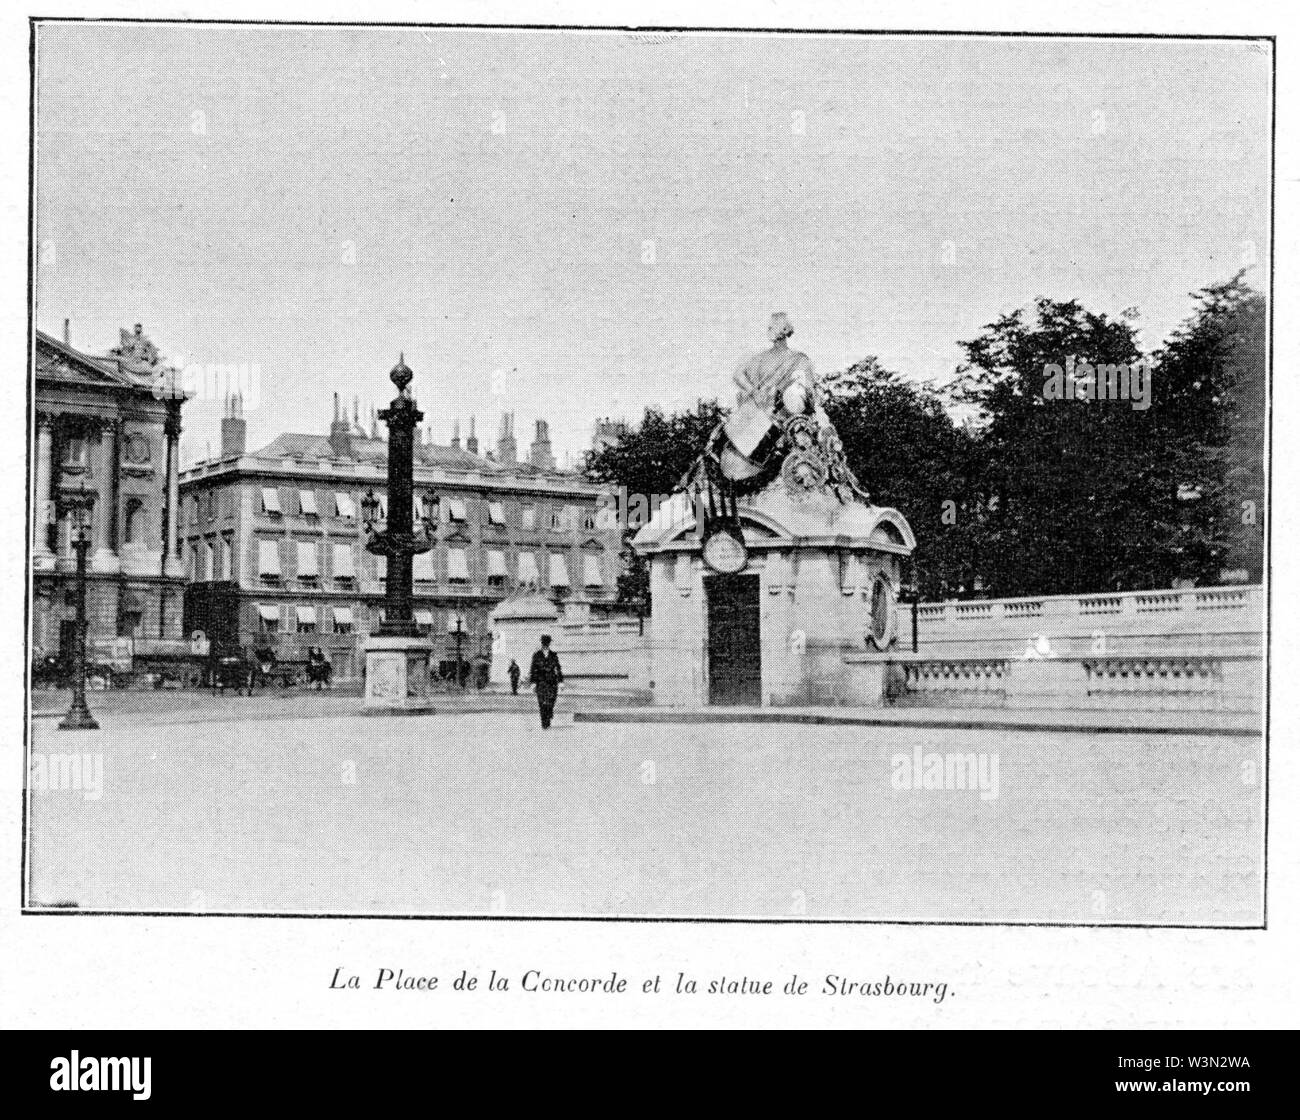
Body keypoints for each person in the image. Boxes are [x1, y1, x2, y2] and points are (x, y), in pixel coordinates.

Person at [528, 635, 563, 729]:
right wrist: (533, 683)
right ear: (542, 643)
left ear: (549, 643)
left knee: (551, 701)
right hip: (541, 682)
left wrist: (560, 682)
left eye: (547, 643)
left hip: (552, 682)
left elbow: (558, 669)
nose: (545, 645)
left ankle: (549, 712)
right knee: (542, 702)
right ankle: (544, 722)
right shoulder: (536, 655)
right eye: (544, 643)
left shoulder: (553, 655)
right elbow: (533, 669)